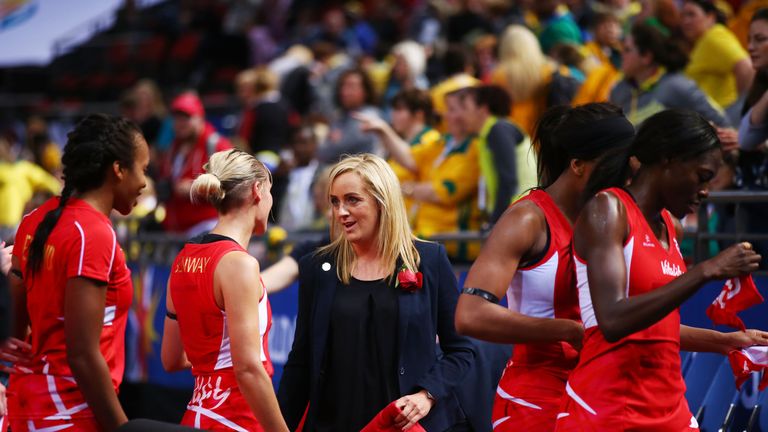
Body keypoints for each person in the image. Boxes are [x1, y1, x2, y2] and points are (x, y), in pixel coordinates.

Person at [555, 109, 768, 430]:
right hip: (609, 406)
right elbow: (612, 320)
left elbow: (658, 328)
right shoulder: (608, 210)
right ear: (669, 160)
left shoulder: (671, 227)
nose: (706, 190)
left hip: (668, 403)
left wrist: (726, 340)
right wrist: (705, 271)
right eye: (702, 176)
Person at [454, 103, 634, 431]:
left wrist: (724, 340)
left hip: (599, 395)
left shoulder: (614, 217)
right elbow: (470, 315)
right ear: (579, 165)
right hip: (534, 402)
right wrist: (567, 331)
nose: (628, 176)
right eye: (618, 166)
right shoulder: (526, 220)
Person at [278, 154, 476, 432]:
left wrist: (427, 395)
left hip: (408, 424)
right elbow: (301, 362)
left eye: (352, 200)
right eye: (335, 201)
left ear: (383, 202)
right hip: (336, 423)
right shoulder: (317, 268)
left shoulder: (429, 260)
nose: (340, 211)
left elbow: (461, 349)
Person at [5, 114, 149, 431]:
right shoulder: (93, 232)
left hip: (27, 404)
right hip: (69, 413)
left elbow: (17, 329)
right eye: (143, 169)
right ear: (118, 169)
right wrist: (121, 428)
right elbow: (83, 354)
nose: (144, 182)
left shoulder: (34, 219)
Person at [161, 149, 287, 431]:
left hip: (196, 415)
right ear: (257, 190)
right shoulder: (239, 264)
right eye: (270, 191)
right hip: (236, 419)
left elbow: (170, 359)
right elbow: (249, 369)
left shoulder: (182, 260)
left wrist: (212, 361)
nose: (270, 202)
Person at [610, 22, 731, 126]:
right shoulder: (619, 90)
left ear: (646, 56)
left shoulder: (677, 86)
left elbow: (721, 123)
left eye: (627, 50)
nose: (622, 55)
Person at [158, 91, 232, 235]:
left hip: (207, 227)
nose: (180, 123)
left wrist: (197, 187)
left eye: (186, 118)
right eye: (177, 118)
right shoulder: (173, 147)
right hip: (176, 229)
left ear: (200, 118)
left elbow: (233, 185)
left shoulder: (217, 145)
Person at [681, 0, 753, 112]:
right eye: (683, 16)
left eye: (691, 14)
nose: (685, 21)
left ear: (710, 17)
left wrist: (740, 109)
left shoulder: (714, 36)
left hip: (723, 118)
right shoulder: (702, 40)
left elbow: (746, 67)